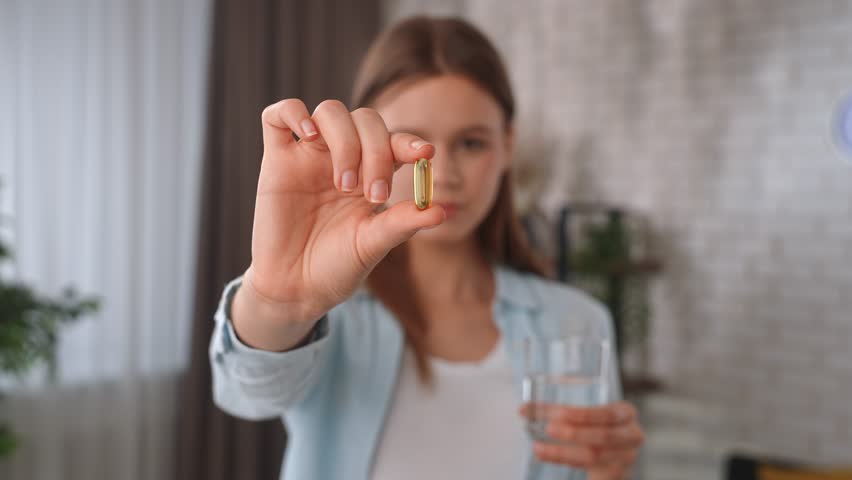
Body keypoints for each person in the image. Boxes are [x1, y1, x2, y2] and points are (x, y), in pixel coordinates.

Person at [209, 15, 644, 480]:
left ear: (508, 145)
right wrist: (278, 302)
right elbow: (245, 395)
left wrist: (610, 471)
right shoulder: (333, 315)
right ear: (367, 141)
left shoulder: (578, 322)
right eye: (413, 144)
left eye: (471, 143)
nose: (444, 174)